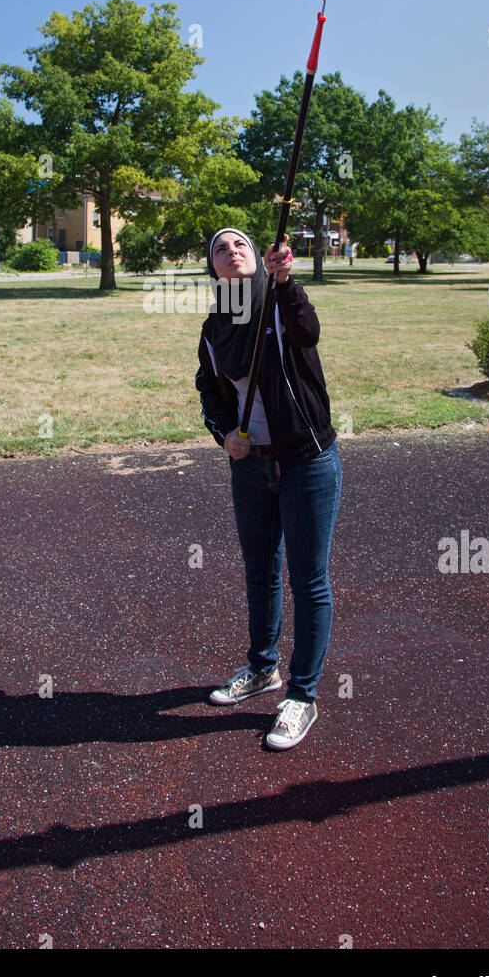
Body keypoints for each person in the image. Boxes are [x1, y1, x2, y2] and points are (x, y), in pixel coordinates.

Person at [194, 226, 342, 749]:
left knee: (309, 581)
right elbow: (209, 391)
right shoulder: (215, 329)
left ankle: (301, 696)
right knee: (260, 572)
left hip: (307, 462)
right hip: (251, 468)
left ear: (258, 259)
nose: (231, 253)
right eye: (220, 249)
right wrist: (224, 438)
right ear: (212, 268)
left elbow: (307, 333)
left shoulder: (280, 304)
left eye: (241, 246)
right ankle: (263, 668)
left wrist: (288, 281)